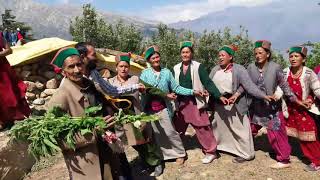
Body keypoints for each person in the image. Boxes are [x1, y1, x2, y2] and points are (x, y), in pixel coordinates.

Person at [47, 47, 120, 180]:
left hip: (105, 151)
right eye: (71, 67)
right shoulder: (60, 98)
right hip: (85, 161)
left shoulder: (89, 85)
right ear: (64, 72)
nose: (77, 70)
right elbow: (60, 139)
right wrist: (94, 132)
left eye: (79, 64)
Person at [209, 45, 272, 163]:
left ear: (230, 57)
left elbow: (249, 86)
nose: (220, 57)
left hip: (235, 104)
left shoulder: (238, 69)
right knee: (218, 127)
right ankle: (222, 147)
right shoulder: (215, 69)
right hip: (219, 103)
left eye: (223, 55)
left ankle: (246, 153)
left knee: (239, 128)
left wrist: (263, 96)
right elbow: (209, 84)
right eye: (219, 55)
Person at [140, 45, 202, 165]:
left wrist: (192, 91)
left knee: (170, 131)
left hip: (163, 107)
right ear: (149, 61)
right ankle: (163, 155)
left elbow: (176, 88)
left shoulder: (166, 72)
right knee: (156, 133)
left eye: (157, 57)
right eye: (153, 58)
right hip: (149, 108)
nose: (156, 60)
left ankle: (180, 154)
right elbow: (144, 90)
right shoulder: (144, 74)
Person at [247, 40, 304, 169]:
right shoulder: (251, 67)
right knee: (248, 129)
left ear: (267, 54)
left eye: (261, 53)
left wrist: (296, 100)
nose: (258, 55)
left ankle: (284, 159)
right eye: (256, 53)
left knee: (276, 133)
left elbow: (284, 85)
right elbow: (247, 84)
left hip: (272, 107)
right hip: (255, 106)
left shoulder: (275, 67)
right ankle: (244, 151)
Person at [108, 53, 163, 176]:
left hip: (137, 115)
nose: (123, 69)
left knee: (147, 142)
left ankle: (157, 163)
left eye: (126, 66)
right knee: (134, 143)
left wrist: (161, 94)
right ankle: (146, 161)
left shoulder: (135, 79)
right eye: (121, 66)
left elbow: (147, 89)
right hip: (123, 119)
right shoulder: (110, 82)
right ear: (116, 67)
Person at [172, 41, 222, 164]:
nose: (185, 54)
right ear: (180, 54)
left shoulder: (198, 67)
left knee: (202, 127)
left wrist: (218, 96)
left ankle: (211, 152)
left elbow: (208, 82)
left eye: (187, 52)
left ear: (192, 53)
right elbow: (171, 84)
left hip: (195, 102)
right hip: (180, 103)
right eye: (183, 52)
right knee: (178, 128)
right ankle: (178, 153)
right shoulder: (175, 68)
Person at [278, 46, 320, 171]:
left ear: (303, 59)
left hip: (304, 109)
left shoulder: (309, 73)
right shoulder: (285, 72)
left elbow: (316, 88)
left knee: (308, 135)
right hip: (289, 108)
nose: (293, 59)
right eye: (291, 56)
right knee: (283, 132)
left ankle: (317, 161)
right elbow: (280, 88)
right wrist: (275, 95)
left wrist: (312, 98)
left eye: (296, 56)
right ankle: (282, 154)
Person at [73, 42, 145, 96]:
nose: (96, 58)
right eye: (93, 55)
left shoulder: (94, 72)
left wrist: (135, 87)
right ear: (82, 57)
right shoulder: (75, 77)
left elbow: (111, 90)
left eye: (126, 67)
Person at [0, 29, 30, 130]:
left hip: (2, 71)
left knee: (8, 95)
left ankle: (14, 118)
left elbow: (9, 50)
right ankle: (3, 121)